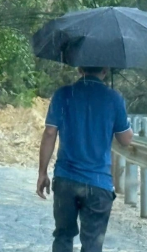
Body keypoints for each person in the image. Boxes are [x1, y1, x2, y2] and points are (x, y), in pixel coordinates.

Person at [37, 66, 133, 252]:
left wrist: (42, 172)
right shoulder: (114, 98)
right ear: (105, 70)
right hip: (99, 183)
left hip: (66, 179)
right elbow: (125, 139)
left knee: (63, 236)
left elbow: (50, 132)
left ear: (80, 68)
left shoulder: (63, 94)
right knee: (92, 244)